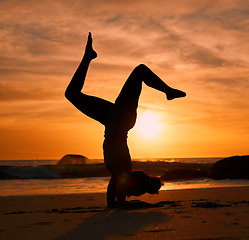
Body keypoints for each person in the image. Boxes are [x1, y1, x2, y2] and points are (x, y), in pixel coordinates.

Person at [65, 32, 186, 207]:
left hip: (111, 118)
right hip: (119, 120)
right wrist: (138, 204)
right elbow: (116, 203)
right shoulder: (123, 169)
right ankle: (168, 91)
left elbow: (114, 203)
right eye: (132, 194)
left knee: (71, 94)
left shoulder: (118, 174)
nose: (128, 196)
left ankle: (88, 57)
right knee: (140, 71)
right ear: (131, 185)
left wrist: (125, 202)